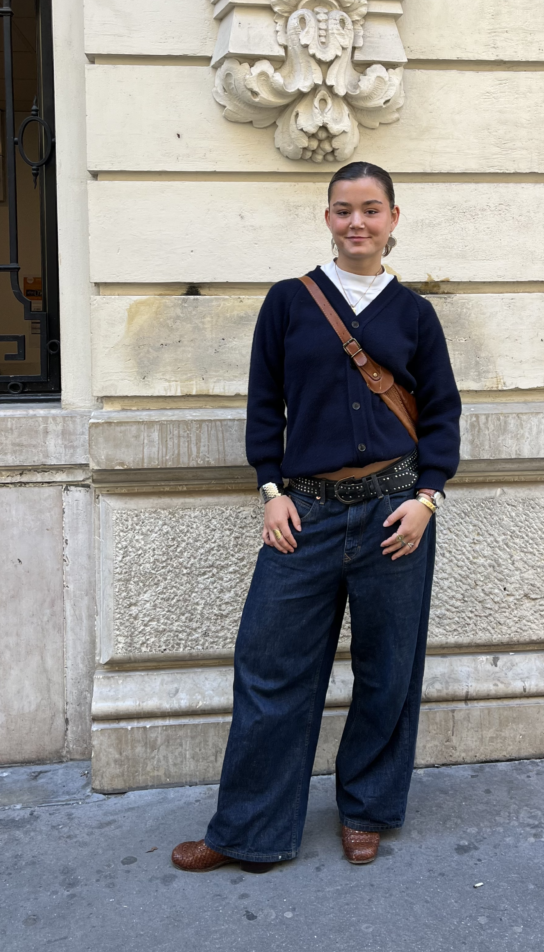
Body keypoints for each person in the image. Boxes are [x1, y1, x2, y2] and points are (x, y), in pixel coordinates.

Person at [172, 161, 461, 872]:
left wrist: (426, 501)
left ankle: (367, 808)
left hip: (397, 514)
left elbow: (445, 416)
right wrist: (272, 493)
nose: (355, 222)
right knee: (270, 667)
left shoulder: (415, 314)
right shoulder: (290, 302)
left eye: (370, 209)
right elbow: (264, 404)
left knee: (387, 669)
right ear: (326, 218)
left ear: (395, 218)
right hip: (305, 513)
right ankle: (248, 830)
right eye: (341, 210)